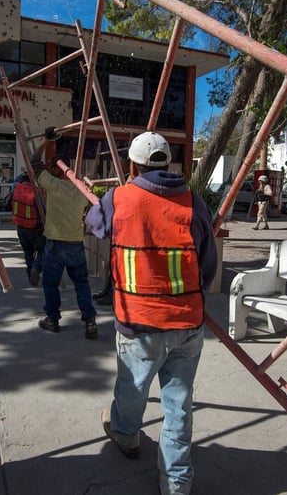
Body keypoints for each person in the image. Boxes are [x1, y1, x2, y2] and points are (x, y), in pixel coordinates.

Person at [85, 131, 217, 495]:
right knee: (179, 404)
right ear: (168, 163)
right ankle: (176, 482)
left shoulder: (120, 198)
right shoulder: (194, 203)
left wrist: (109, 201)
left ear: (132, 165)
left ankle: (127, 436)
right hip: (188, 323)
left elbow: (94, 226)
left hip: (139, 323)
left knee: (132, 387)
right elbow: (208, 264)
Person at [30, 142, 98, 339]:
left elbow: (35, 161)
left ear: (54, 169)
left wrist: (45, 140)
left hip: (55, 243)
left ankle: (52, 319)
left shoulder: (53, 185)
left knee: (50, 284)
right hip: (76, 243)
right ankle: (90, 320)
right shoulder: (82, 189)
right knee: (82, 283)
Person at [8, 171, 45, 286]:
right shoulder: (36, 193)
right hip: (36, 228)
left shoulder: (15, 189)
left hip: (21, 227)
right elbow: (43, 212)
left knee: (28, 252)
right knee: (43, 250)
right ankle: (36, 268)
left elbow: (9, 203)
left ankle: (30, 273)